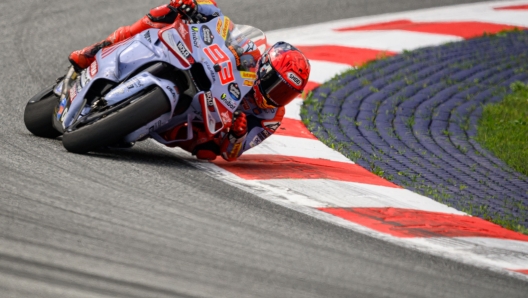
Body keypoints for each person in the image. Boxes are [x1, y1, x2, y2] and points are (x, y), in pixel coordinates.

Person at [69, 0, 311, 162]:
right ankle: (98, 49)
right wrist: (194, 6)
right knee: (164, 14)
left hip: (209, 117)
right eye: (276, 86)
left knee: (208, 151)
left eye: (286, 94)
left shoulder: (272, 117)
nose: (276, 96)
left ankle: (137, 124)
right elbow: (220, 20)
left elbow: (232, 153)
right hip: (202, 68)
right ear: (265, 69)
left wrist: (237, 135)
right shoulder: (251, 52)